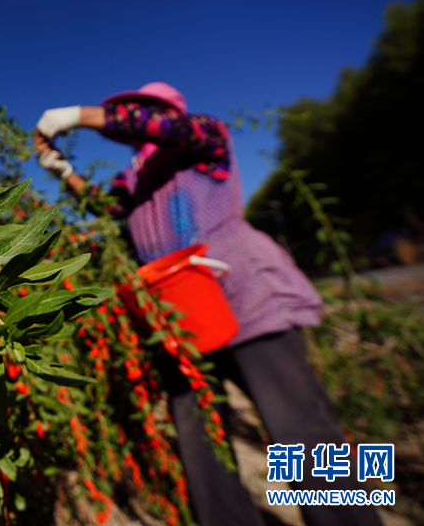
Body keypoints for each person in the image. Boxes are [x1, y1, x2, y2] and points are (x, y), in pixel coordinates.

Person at [33, 83, 383, 526]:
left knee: (301, 430)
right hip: (180, 312)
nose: (127, 119)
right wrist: (62, 170)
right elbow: (107, 207)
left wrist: (76, 116)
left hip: (250, 299)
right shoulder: (134, 178)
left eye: (138, 111)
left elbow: (164, 128)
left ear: (163, 112)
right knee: (198, 437)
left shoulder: (204, 139)